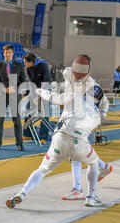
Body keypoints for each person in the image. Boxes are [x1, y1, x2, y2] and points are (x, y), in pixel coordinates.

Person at [6, 55, 105, 208]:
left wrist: (39, 92)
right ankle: (91, 197)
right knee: (93, 163)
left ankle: (22, 193)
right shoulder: (94, 108)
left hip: (59, 138)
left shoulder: (70, 94)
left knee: (43, 169)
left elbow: (53, 95)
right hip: (80, 142)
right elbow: (100, 112)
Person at [62, 83, 113, 200]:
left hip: (84, 122)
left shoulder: (90, 84)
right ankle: (103, 166)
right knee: (80, 150)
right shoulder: (76, 86)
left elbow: (105, 100)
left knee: (76, 152)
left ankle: (77, 189)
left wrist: (103, 112)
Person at [0, 44, 27, 151]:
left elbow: (23, 81)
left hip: (15, 96)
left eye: (10, 52)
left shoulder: (19, 65)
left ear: (13, 53)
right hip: (2, 96)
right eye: (6, 52)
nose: (8, 54)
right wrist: (2, 89)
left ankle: (19, 143)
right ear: (3, 53)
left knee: (17, 121)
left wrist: (15, 89)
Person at [23, 53, 52, 144]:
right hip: (35, 91)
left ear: (31, 62)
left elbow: (47, 80)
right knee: (28, 110)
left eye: (26, 63)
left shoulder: (43, 66)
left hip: (45, 91)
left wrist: (42, 94)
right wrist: (33, 95)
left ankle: (44, 136)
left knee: (44, 114)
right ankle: (27, 133)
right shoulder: (28, 69)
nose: (25, 64)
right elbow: (32, 83)